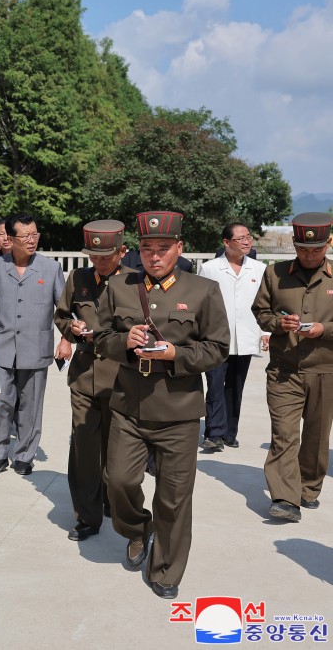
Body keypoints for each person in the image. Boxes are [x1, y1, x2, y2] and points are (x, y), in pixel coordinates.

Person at [95, 211, 229, 600]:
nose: (154, 257)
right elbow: (101, 339)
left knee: (173, 498)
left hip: (179, 412)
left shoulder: (203, 290)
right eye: (148, 249)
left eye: (163, 249)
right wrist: (125, 341)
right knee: (118, 481)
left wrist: (176, 353)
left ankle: (167, 569)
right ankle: (138, 530)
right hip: (128, 407)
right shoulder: (121, 286)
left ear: (179, 249)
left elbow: (218, 348)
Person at [251, 212, 333, 522]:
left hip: (326, 369)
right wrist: (278, 323)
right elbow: (260, 312)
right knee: (284, 434)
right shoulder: (275, 274)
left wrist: (322, 330)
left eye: (316, 249)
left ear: (327, 243)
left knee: (315, 435)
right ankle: (285, 498)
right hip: (284, 370)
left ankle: (308, 488)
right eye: (302, 248)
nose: (309, 254)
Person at [54, 220, 133, 541]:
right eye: (93, 256)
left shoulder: (136, 281)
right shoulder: (79, 278)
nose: (98, 262)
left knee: (117, 450)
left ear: (122, 251)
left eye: (106, 256)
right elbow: (61, 315)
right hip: (85, 376)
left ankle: (113, 500)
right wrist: (69, 330)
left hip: (121, 378)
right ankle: (87, 515)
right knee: (85, 449)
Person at [0, 214, 66, 476]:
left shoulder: (50, 269)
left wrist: (66, 339)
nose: (32, 241)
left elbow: (64, 310)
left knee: (31, 406)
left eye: (35, 235)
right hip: (0, 347)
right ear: (10, 238)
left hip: (36, 348)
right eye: (25, 236)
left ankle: (24, 455)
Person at [198, 223, 267, 451]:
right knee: (215, 384)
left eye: (248, 237)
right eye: (241, 238)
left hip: (246, 335)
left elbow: (267, 303)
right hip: (216, 337)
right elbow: (201, 304)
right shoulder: (210, 269)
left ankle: (229, 432)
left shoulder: (259, 269)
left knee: (236, 386)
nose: (247, 241)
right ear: (226, 243)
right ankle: (214, 433)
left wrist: (266, 332)